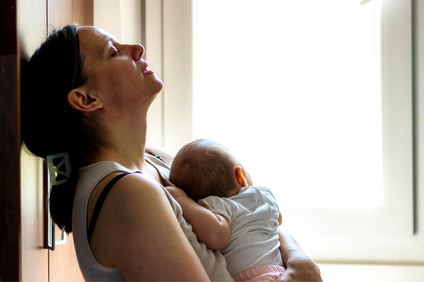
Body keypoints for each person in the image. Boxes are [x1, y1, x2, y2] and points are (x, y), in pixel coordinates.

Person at [21, 24, 323, 281]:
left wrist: (300, 260)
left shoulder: (156, 159)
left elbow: (253, 214)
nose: (137, 48)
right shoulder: (127, 193)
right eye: (114, 52)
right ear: (86, 99)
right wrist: (301, 267)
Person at [169, 139, 285, 282]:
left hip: (253, 277)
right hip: (280, 271)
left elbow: (216, 236)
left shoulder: (217, 206)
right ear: (240, 175)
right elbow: (278, 220)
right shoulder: (264, 194)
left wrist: (180, 199)